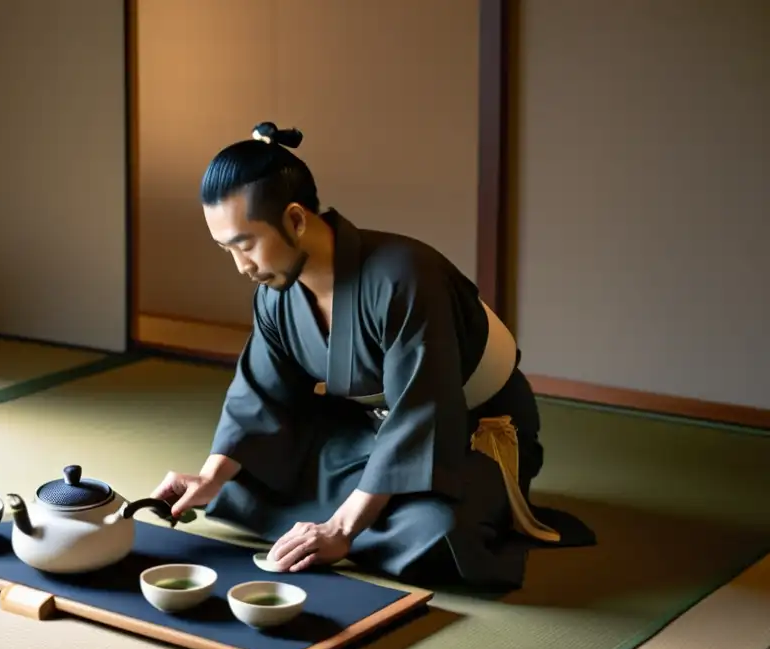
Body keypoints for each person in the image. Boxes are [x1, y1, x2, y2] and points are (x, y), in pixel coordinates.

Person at [150, 121, 587, 590]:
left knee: (439, 534)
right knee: (242, 483)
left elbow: (423, 412)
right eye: (226, 250)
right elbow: (260, 398)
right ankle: (353, 514)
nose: (241, 267)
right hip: (373, 433)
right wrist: (211, 477)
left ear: (296, 220)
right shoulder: (275, 295)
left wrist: (342, 528)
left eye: (246, 245)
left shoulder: (404, 276)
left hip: (470, 436)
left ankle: (349, 520)